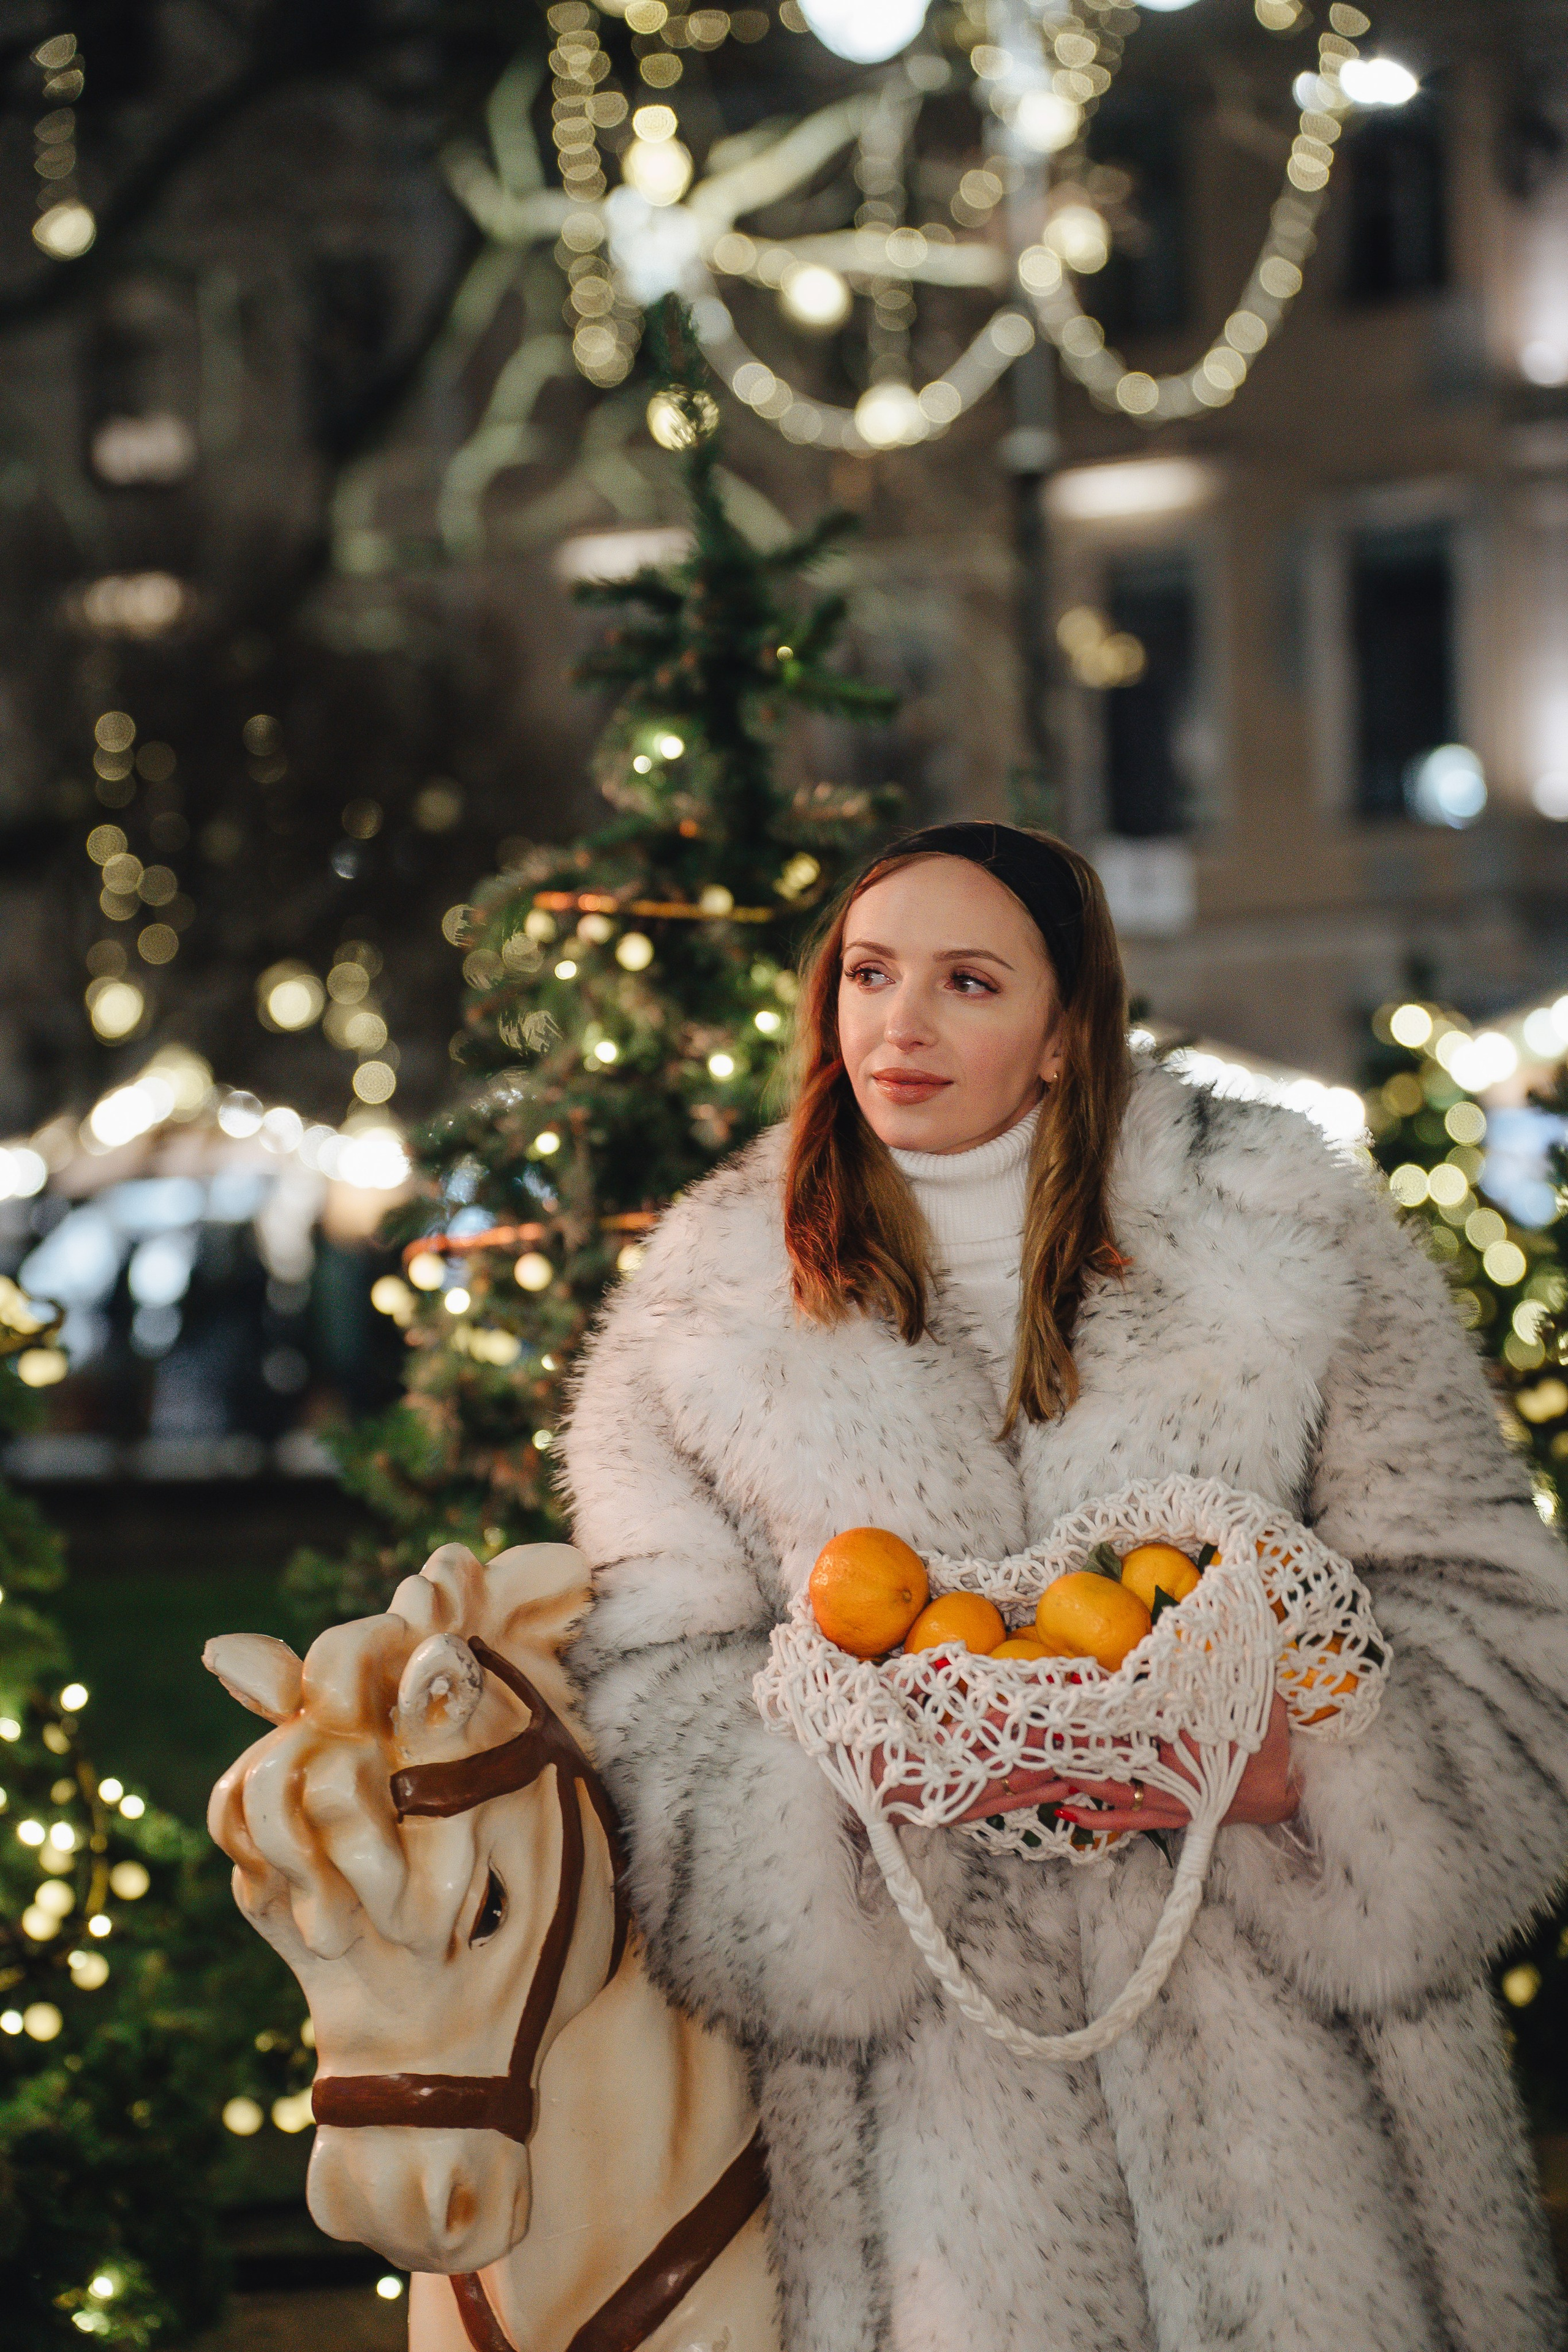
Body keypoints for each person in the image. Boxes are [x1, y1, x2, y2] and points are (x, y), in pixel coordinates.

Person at [563, 821, 1568, 2352]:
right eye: (868, 975)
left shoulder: (1281, 1238)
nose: (898, 1026)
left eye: (967, 981)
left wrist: (1297, 1773)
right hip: (939, 2169)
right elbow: (656, 1701)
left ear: (1059, 1033)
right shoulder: (703, 1314)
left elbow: (1484, 1605)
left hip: (1313, 2147)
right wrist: (862, 1772)